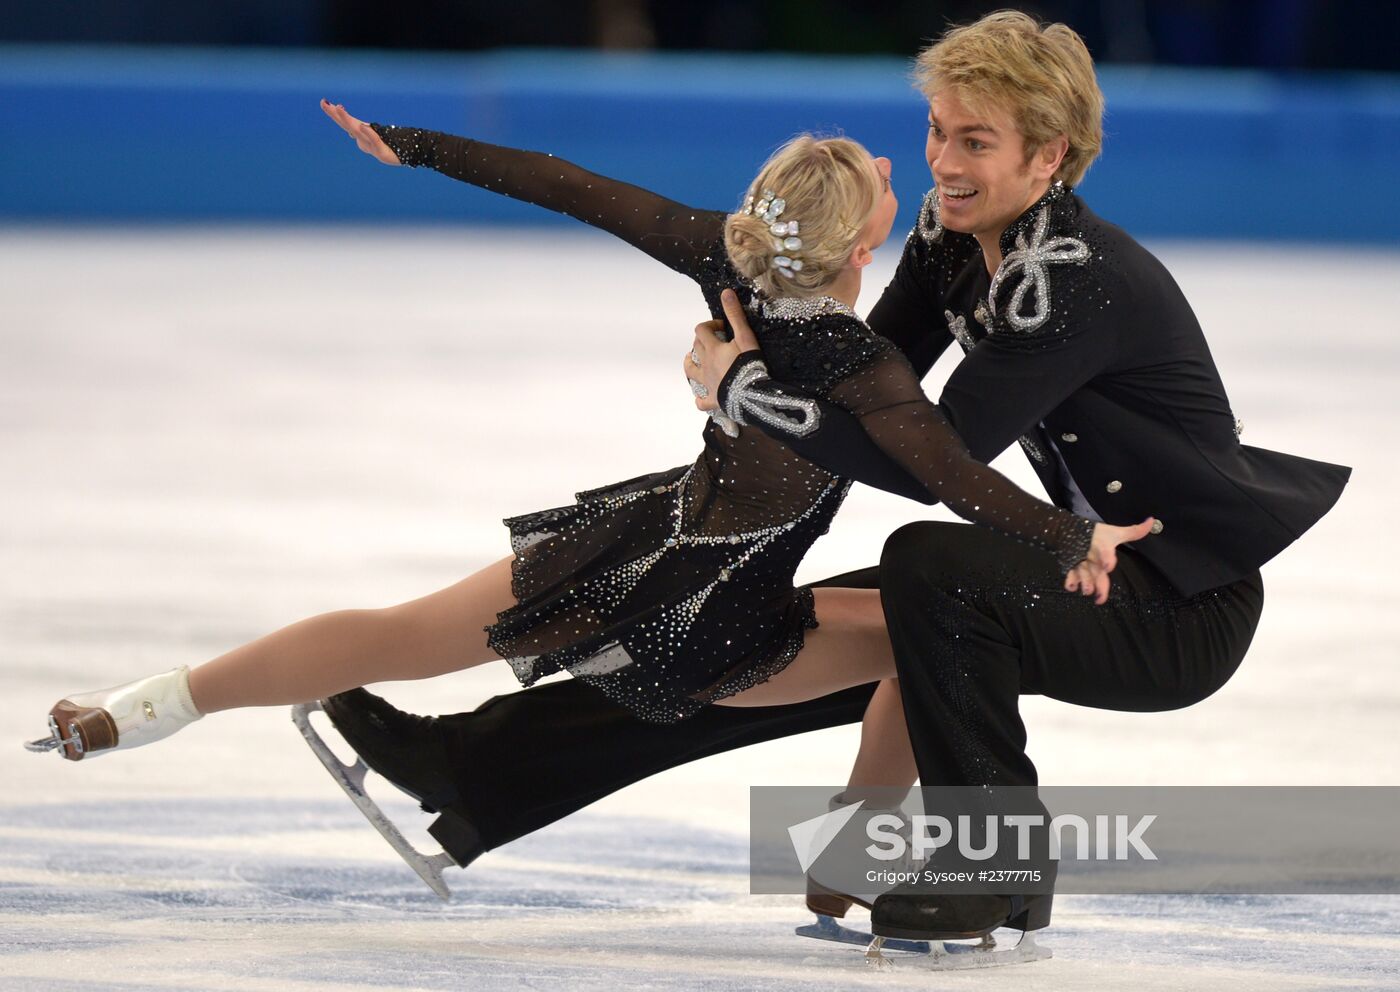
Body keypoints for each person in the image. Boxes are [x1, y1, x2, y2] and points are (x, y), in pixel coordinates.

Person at [317, 10, 1350, 943]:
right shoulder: (959, 238)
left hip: (1171, 606)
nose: (941, 162)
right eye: (938, 131)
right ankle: (481, 766)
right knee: (748, 635)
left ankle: (993, 862)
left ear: (1050, 160)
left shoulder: (1066, 285)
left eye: (974, 142)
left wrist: (744, 391)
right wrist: (755, 326)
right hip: (1076, 568)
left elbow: (929, 460)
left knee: (928, 569)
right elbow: (863, 371)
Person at [26, 101, 1150, 841]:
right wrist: (1066, 536)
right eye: (878, 178)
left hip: (616, 551)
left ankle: (141, 708)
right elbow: (948, 474)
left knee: (384, 630)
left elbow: (563, 182)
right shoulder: (864, 372)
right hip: (714, 627)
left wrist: (413, 144)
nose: (901, 165)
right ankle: (852, 857)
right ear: (862, 249)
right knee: (929, 632)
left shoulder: (723, 253)